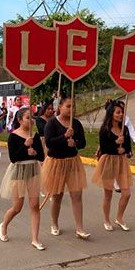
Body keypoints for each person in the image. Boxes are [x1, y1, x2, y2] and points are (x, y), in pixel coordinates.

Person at [41, 96, 90, 239]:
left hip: (73, 162)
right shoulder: (51, 123)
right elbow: (49, 143)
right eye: (68, 106)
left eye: (73, 106)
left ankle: (80, 228)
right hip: (56, 163)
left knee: (77, 195)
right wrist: (64, 136)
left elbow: (83, 143)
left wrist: (74, 142)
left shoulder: (76, 123)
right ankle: (54, 223)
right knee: (57, 196)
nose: (71, 109)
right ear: (60, 107)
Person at [0, 107, 46, 249]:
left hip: (33, 170)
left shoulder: (35, 136)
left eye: (32, 117)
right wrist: (25, 147)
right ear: (19, 120)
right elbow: (13, 158)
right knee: (17, 207)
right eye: (27, 117)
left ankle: (35, 239)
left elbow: (41, 156)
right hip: (18, 170)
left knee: (34, 206)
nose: (31, 120)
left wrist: (35, 152)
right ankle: (4, 225)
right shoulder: (13, 136)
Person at [92, 101, 133, 231]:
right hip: (108, 161)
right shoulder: (105, 130)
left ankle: (119, 218)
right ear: (111, 113)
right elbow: (104, 148)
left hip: (121, 162)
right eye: (118, 112)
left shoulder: (124, 129)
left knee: (126, 193)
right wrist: (116, 144)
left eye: (122, 112)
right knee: (108, 194)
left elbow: (128, 147)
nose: (121, 114)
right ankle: (106, 220)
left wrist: (124, 149)